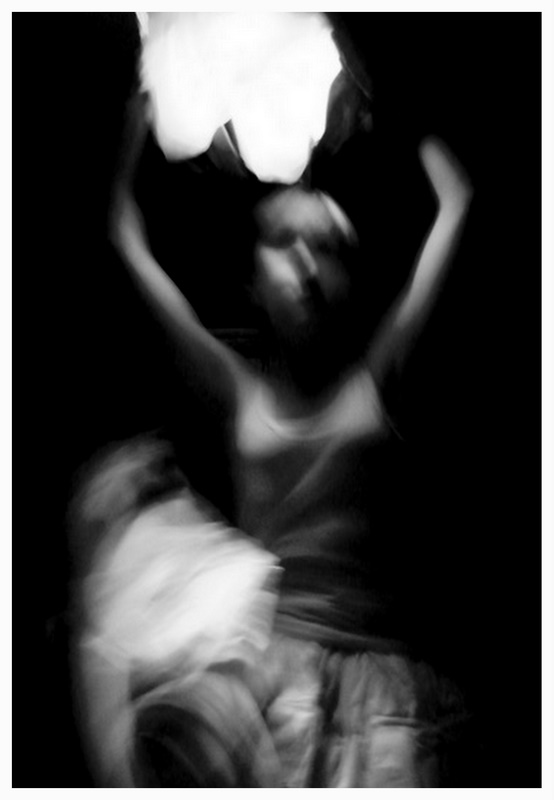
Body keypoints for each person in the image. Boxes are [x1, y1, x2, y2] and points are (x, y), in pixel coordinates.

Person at [76, 90, 474, 788]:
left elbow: (458, 202)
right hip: (262, 674)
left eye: (329, 247)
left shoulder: (379, 379)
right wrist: (146, 113)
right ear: (251, 281)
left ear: (354, 279)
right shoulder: (239, 392)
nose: (307, 265)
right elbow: (123, 235)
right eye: (285, 242)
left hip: (376, 683)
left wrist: (391, 95)